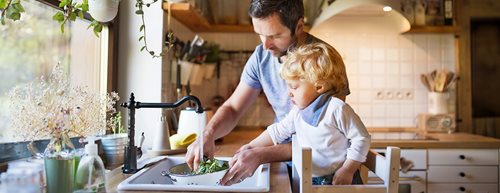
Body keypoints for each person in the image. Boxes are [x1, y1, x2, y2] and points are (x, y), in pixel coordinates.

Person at [185, 0, 350, 185]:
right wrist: (208, 134)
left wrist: (263, 154)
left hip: (323, 171)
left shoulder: (325, 61)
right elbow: (233, 108)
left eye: (274, 35)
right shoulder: (261, 57)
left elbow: (325, 136)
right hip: (284, 162)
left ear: (299, 26)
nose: (265, 45)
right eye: (260, 34)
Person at [242, 42, 370, 185]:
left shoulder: (337, 108)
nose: (289, 93)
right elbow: (277, 131)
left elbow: (362, 139)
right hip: (309, 181)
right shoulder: (298, 111)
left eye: (294, 87)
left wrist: (348, 170)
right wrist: (249, 147)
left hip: (338, 181)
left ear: (319, 87)